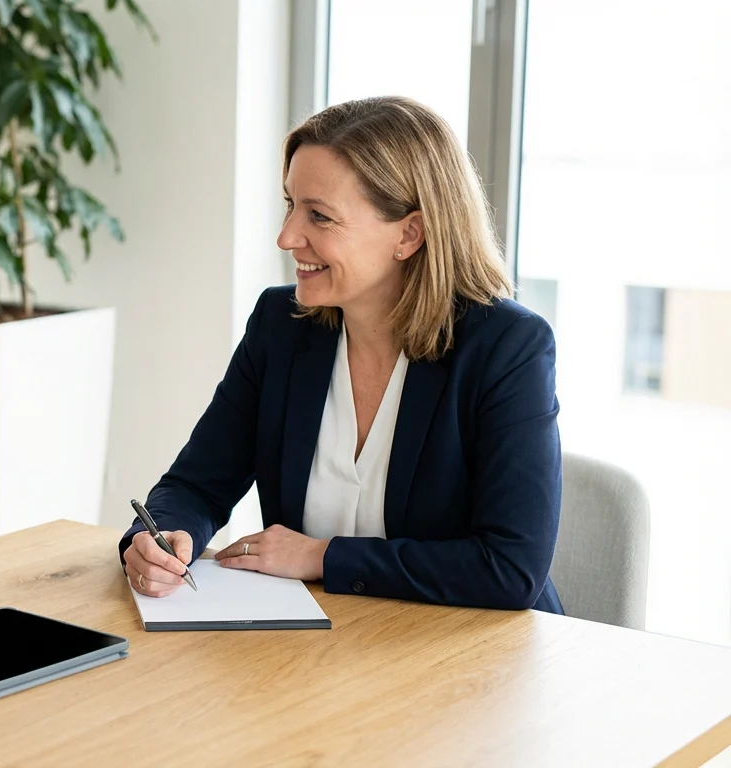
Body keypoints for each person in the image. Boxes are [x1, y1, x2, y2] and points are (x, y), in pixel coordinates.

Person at [121, 96, 562, 613]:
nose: (286, 237)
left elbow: (509, 569)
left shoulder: (507, 348)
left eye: (320, 216)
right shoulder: (279, 327)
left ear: (408, 234)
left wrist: (322, 557)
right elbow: (196, 484)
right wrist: (160, 539)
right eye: (290, 205)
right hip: (326, 653)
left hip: (476, 664)